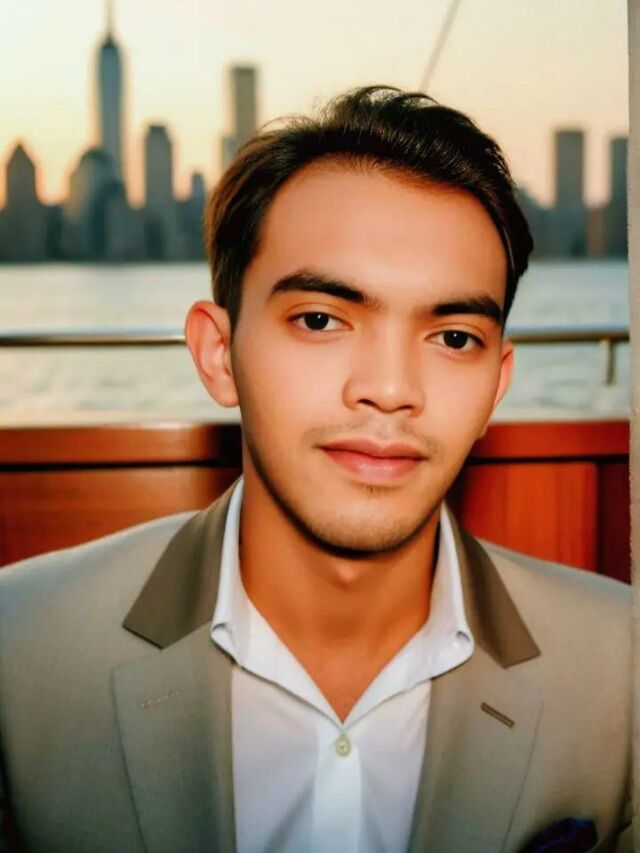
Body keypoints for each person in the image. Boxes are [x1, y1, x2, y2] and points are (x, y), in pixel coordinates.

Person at [0, 87, 631, 853]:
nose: (391, 388)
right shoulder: (18, 649)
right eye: (322, 319)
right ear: (218, 355)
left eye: (454, 337)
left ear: (497, 386)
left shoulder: (621, 670)